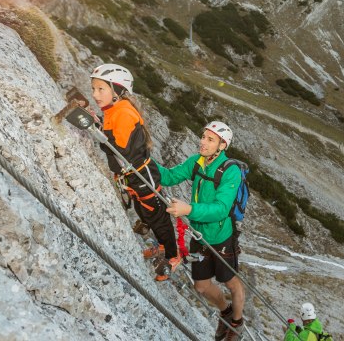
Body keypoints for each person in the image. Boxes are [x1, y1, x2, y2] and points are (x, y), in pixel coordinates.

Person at [89, 63, 180, 281]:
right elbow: (116, 140)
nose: (95, 94)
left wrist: (98, 133)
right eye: (94, 88)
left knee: (156, 215)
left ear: (117, 91)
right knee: (143, 210)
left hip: (141, 174)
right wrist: (98, 124)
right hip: (132, 175)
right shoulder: (113, 110)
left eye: (101, 89)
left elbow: (119, 150)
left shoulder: (123, 113)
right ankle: (160, 246)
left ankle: (172, 256)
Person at [164, 121, 246, 341]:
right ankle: (226, 312)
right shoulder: (197, 162)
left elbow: (221, 209)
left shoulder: (231, 171)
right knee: (201, 287)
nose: (202, 142)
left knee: (231, 283)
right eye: (203, 137)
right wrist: (144, 162)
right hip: (199, 235)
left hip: (221, 238)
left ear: (222, 146)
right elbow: (170, 176)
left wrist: (188, 209)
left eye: (210, 139)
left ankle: (237, 322)